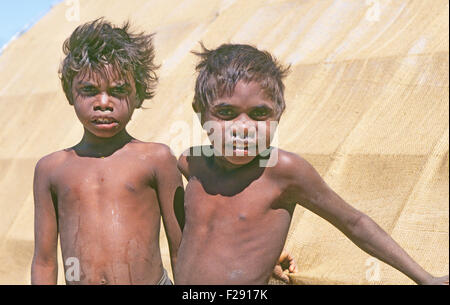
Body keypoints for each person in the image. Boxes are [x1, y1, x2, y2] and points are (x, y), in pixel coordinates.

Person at [174, 43, 449, 285]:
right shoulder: (192, 164)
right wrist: (261, 253)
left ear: (279, 114)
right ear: (200, 111)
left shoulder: (283, 171)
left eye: (260, 114)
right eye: (226, 113)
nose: (243, 128)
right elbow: (210, 229)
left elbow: (355, 222)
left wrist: (425, 278)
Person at [31, 19, 183, 285]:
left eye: (118, 91)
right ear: (70, 93)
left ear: (138, 95)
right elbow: (44, 261)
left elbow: (181, 248)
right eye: (89, 91)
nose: (103, 103)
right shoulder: (51, 169)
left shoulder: (157, 159)